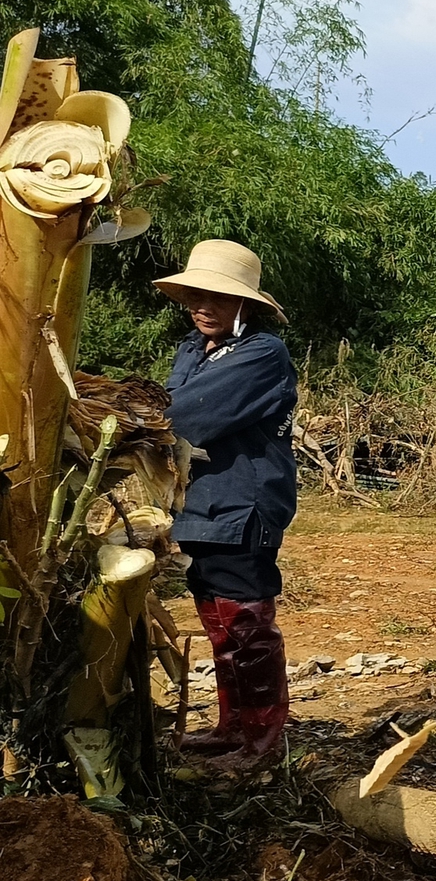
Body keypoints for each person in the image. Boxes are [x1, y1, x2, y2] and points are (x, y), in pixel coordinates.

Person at [157, 240, 298, 773]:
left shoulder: (263, 354)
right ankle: (231, 727)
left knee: (248, 628)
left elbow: (183, 416)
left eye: (216, 297)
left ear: (245, 305)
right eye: (196, 294)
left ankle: (263, 741)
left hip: (246, 502)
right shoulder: (192, 349)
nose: (202, 306)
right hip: (200, 505)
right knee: (219, 624)